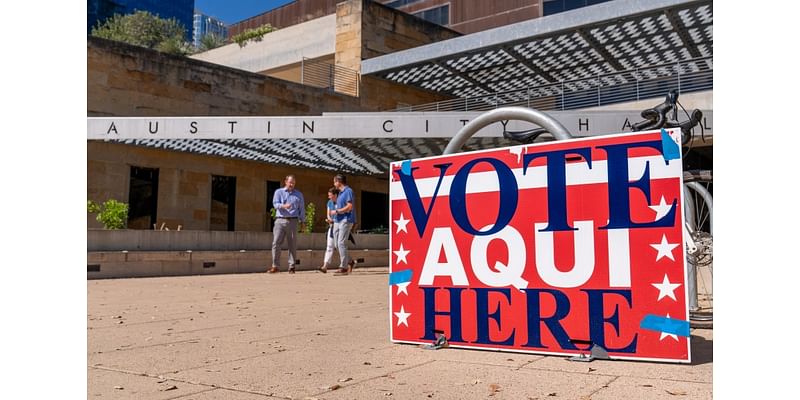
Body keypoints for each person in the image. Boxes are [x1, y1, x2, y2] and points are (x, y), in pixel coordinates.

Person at [270, 174, 305, 274]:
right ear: (286, 182)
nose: (292, 184)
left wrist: (303, 222)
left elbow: (301, 209)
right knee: (276, 243)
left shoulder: (299, 195)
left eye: (293, 183)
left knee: (292, 244)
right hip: (280, 220)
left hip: (293, 221)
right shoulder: (279, 192)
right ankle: (275, 266)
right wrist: (283, 206)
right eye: (290, 182)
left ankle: (292, 266)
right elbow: (275, 204)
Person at [331, 174, 357, 275]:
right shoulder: (340, 193)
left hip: (346, 219)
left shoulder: (348, 191)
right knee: (336, 244)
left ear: (339, 181)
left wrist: (337, 211)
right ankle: (350, 261)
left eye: (334, 181)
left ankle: (344, 267)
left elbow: (350, 206)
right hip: (338, 220)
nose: (334, 184)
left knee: (341, 243)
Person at [318, 187, 339, 273]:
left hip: (339, 226)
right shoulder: (329, 203)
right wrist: (330, 219)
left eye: (330, 195)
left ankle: (350, 261)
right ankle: (325, 266)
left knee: (339, 246)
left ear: (335, 195)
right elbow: (328, 213)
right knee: (329, 246)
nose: (329, 197)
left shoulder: (340, 202)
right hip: (332, 226)